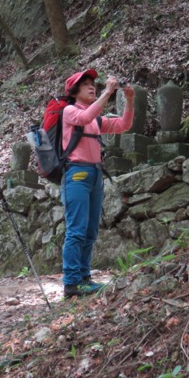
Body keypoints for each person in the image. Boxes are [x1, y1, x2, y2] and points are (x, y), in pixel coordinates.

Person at [61, 69, 134, 298]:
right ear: (74, 92)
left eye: (93, 84)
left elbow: (123, 125)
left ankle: (84, 278)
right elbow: (84, 118)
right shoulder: (69, 111)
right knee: (76, 230)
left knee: (91, 231)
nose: (92, 87)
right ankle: (72, 282)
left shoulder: (95, 119)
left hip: (94, 174)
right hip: (76, 174)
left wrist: (130, 99)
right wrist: (107, 93)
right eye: (86, 85)